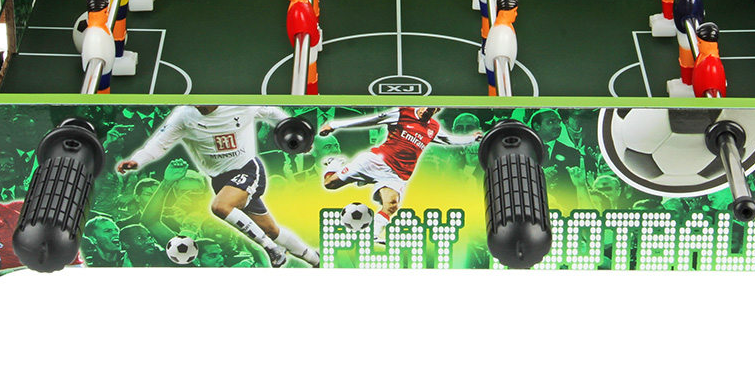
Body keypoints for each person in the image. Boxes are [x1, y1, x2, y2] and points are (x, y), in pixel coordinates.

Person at [115, 105, 319, 267]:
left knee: (220, 206)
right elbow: (159, 143)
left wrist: (297, 137)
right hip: (220, 181)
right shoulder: (184, 116)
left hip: (248, 169)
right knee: (271, 230)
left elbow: (273, 113)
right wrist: (137, 161)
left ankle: (271, 249)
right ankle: (314, 259)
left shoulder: (241, 106)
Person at [318, 107, 481, 245]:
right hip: (375, 162)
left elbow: (449, 140)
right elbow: (371, 120)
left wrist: (471, 139)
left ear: (437, 110)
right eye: (425, 107)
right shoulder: (403, 113)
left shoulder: (433, 128)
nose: (426, 110)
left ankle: (373, 233)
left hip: (396, 174)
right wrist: (334, 125)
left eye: (431, 109)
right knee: (329, 184)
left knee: (391, 205)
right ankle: (334, 164)